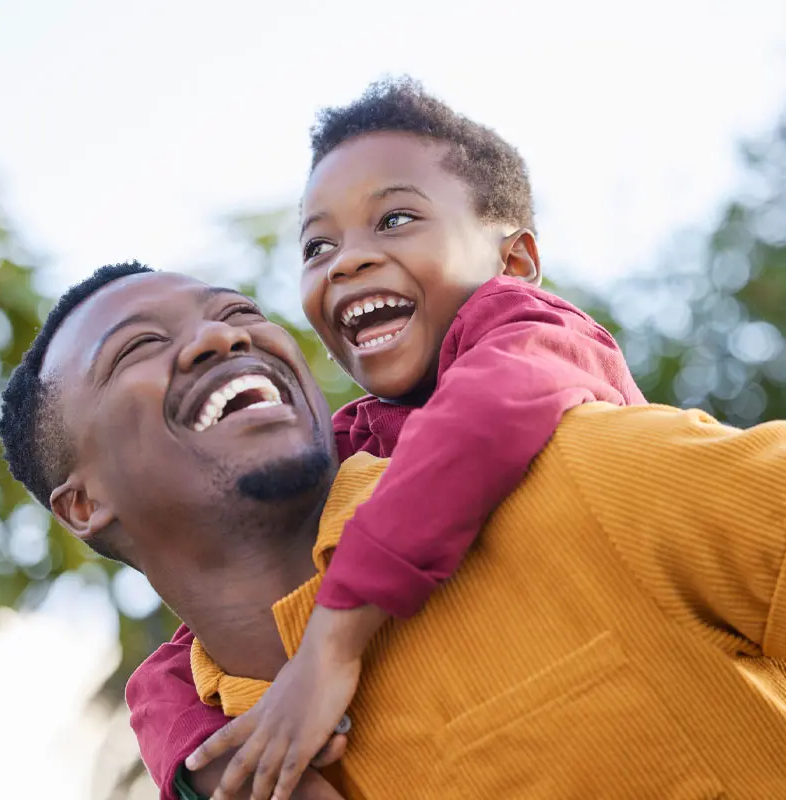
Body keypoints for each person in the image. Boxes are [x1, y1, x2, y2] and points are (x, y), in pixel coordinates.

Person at [0, 265, 786, 799]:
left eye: (236, 308)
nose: (223, 334)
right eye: (141, 345)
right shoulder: (212, 752)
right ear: (82, 503)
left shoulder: (572, 477)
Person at [132, 77, 649, 800]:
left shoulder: (541, 339)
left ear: (515, 260)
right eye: (318, 245)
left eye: (396, 219)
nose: (348, 260)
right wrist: (211, 765)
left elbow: (481, 424)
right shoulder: (358, 443)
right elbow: (169, 673)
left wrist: (333, 643)